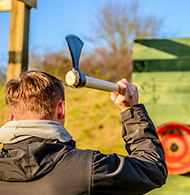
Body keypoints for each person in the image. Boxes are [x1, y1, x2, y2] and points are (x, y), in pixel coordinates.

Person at [0, 70, 167, 195]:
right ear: (61, 109)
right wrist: (131, 110)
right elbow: (152, 169)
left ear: (12, 117)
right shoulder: (86, 167)